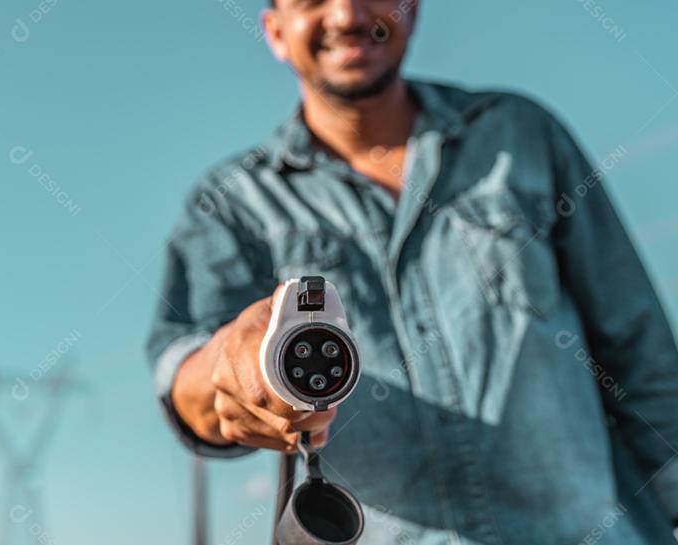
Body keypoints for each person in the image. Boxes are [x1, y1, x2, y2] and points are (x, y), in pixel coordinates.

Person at [145, 0, 678, 542]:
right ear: (276, 31)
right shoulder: (231, 206)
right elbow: (184, 368)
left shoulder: (520, 136)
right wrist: (228, 371)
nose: (347, 15)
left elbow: (643, 356)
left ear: (413, 10)